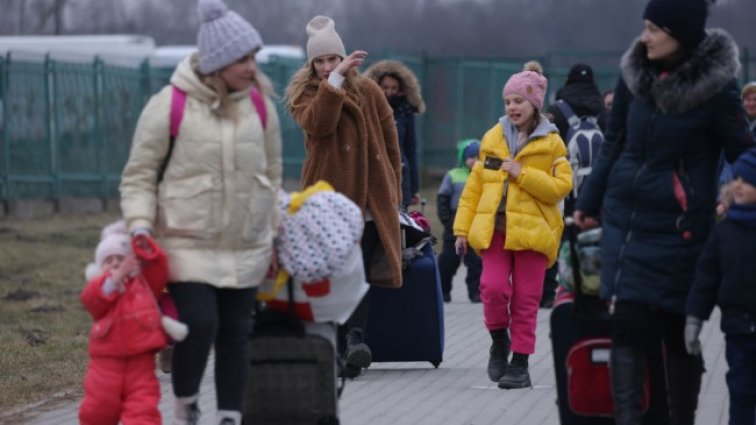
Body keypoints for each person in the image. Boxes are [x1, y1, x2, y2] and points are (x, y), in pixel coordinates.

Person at [572, 0, 754, 423]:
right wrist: (589, 203)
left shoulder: (716, 89)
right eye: (645, 27)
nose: (645, 36)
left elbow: (744, 153)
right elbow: (613, 142)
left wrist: (734, 196)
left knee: (678, 336)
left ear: (681, 32)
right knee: (628, 330)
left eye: (655, 28)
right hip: (628, 224)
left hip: (681, 231)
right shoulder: (634, 74)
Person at [119, 0, 283, 423]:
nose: (251, 66)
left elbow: (273, 172)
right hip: (185, 241)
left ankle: (230, 415)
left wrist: (273, 233)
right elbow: (139, 174)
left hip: (245, 243)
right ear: (217, 61)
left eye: (253, 56)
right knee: (198, 322)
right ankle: (187, 401)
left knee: (236, 334)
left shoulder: (261, 107)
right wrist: (139, 224)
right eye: (241, 58)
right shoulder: (170, 104)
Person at [284, 15, 402, 378]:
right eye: (319, 61)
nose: (325, 67)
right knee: (335, 271)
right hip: (328, 195)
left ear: (342, 55)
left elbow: (390, 142)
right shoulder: (305, 94)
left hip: (370, 192)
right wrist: (333, 83)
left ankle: (355, 340)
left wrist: (394, 189)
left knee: (362, 270)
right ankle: (335, 342)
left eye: (332, 59)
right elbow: (320, 124)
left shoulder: (369, 90)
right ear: (311, 64)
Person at [454, 61, 573, 390]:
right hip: (494, 231)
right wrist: (462, 230)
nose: (512, 107)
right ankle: (498, 341)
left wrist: (523, 174)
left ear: (534, 103)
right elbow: (474, 189)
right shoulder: (492, 137)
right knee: (492, 289)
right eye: (508, 101)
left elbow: (561, 187)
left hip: (534, 233)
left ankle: (520, 363)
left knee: (526, 299)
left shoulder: (552, 143)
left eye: (518, 101)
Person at [685, 148, 756, 425]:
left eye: (747, 180)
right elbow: (706, 279)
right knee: (740, 390)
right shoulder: (725, 231)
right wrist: (694, 319)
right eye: (735, 178)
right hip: (737, 329)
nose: (737, 184)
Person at [79, 222, 170, 425]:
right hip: (105, 365)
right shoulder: (100, 287)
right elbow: (91, 301)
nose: (114, 264)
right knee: (96, 413)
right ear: (100, 267)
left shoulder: (143, 285)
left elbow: (160, 271)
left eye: (120, 259)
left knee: (143, 413)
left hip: (141, 364)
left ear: (131, 262)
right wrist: (115, 278)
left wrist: (145, 250)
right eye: (108, 260)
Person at [364, 60, 425, 210]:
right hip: (371, 176)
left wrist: (414, 188)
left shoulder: (406, 111)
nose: (389, 92)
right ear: (376, 85)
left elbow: (411, 151)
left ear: (401, 89)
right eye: (385, 87)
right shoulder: (366, 107)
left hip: (400, 178)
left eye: (394, 88)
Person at [436, 138, 483, 303]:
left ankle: (476, 293)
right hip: (453, 228)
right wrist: (448, 221)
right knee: (448, 261)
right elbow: (442, 199)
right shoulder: (453, 176)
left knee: (476, 263)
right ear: (463, 157)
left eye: (478, 157)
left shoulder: (484, 175)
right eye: (470, 157)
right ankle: (443, 291)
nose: (474, 160)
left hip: (475, 227)